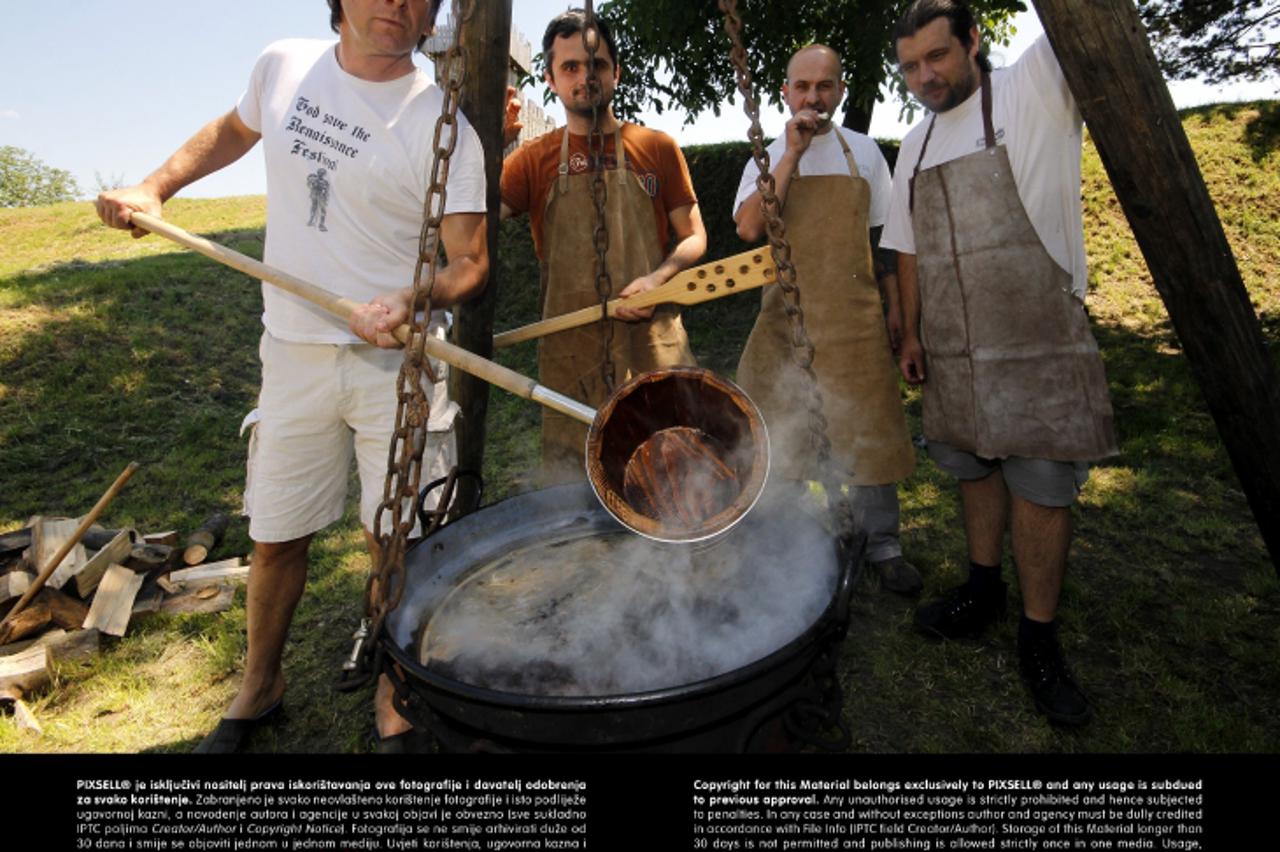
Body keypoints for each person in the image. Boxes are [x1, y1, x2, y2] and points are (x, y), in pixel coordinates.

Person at [96, 0, 489, 752]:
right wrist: (156, 186)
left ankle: (394, 690)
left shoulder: (445, 125)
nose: (401, 7)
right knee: (276, 535)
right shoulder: (283, 66)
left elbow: (469, 261)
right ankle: (261, 683)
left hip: (396, 364)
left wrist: (412, 297)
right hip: (294, 353)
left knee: (395, 540)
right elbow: (233, 131)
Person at [882, 0, 1117, 725]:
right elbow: (909, 246)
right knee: (970, 466)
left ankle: (1039, 635)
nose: (926, 76)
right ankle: (984, 587)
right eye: (911, 66)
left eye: (938, 57)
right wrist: (912, 333)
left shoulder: (1033, 88)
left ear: (974, 41)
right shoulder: (914, 146)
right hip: (953, 348)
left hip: (1038, 339)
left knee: (1042, 484)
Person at [733, 45, 920, 595]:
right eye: (802, 86)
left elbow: (884, 242)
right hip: (783, 328)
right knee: (780, 439)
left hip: (855, 323)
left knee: (870, 437)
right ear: (785, 93)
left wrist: (897, 315)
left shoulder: (863, 154)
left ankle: (882, 546)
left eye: (825, 86)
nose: (813, 97)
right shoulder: (765, 157)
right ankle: (790, 543)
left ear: (839, 91)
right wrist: (788, 156)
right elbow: (748, 229)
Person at [499, 9, 706, 483]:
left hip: (653, 339)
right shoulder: (532, 161)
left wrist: (656, 279)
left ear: (616, 70)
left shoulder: (655, 147)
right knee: (577, 476)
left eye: (597, 64)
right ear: (550, 79)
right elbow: (476, 224)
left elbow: (694, 236)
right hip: (570, 348)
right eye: (570, 67)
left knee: (672, 461)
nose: (585, 77)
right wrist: (494, 145)